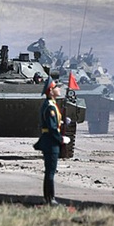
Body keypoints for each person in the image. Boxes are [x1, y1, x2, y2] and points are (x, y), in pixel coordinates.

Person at [33, 77, 70, 206]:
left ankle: (49, 198)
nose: (59, 89)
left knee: (50, 171)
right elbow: (52, 127)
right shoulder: (50, 106)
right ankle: (50, 199)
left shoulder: (51, 104)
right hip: (50, 141)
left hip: (49, 140)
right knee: (50, 171)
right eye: (56, 87)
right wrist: (61, 139)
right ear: (50, 91)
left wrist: (62, 122)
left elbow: (53, 123)